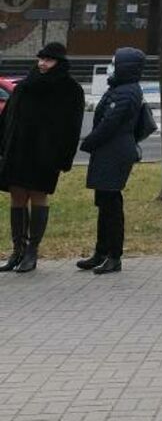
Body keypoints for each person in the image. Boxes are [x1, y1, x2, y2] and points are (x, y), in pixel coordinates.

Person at [0, 41, 86, 273]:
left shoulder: (70, 89)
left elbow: (72, 128)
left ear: (59, 62)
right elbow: (8, 116)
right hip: (17, 152)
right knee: (17, 197)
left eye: (48, 60)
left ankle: (32, 251)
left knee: (38, 196)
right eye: (40, 59)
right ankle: (17, 250)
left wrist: (63, 159)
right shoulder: (25, 85)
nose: (42, 64)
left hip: (45, 156)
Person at [77, 46, 149, 274]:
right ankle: (101, 251)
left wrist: (88, 142)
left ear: (124, 66)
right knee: (104, 204)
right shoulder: (119, 88)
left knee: (111, 205)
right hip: (108, 152)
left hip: (115, 153)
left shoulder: (127, 92)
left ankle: (114, 255)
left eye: (114, 62)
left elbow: (110, 123)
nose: (111, 66)